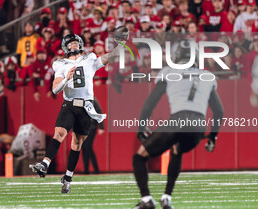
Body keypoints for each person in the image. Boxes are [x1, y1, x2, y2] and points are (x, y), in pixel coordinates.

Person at [29, 27, 127, 193]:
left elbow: (108, 57)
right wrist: (66, 79)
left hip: (86, 106)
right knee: (59, 133)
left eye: (76, 43)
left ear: (80, 44)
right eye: (71, 44)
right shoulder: (60, 64)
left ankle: (67, 178)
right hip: (69, 104)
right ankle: (44, 164)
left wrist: (121, 46)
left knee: (77, 144)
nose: (74, 46)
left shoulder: (90, 59)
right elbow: (55, 90)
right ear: (65, 47)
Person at [133, 40, 224, 209]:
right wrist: (212, 137)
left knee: (139, 156)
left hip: (178, 120)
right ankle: (166, 197)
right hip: (198, 126)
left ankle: (146, 200)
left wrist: (141, 126)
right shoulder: (208, 76)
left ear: (177, 56)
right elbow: (219, 111)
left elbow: (150, 103)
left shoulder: (168, 72)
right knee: (177, 149)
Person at [81, 100, 104, 174]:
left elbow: (99, 112)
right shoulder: (79, 99)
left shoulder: (92, 99)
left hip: (92, 126)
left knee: (87, 147)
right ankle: (86, 170)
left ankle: (96, 170)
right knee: (84, 147)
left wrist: (101, 127)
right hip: (82, 127)